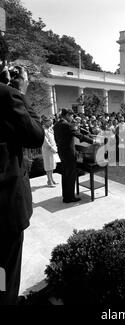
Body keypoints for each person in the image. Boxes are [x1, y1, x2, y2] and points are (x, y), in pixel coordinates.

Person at [0, 60, 44, 304]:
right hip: (4, 208)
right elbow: (35, 135)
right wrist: (19, 91)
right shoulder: (7, 95)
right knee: (6, 269)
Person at [53, 108, 97, 203]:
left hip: (62, 152)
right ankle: (69, 198)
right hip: (69, 154)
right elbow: (79, 136)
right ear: (67, 115)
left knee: (65, 174)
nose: (72, 118)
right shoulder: (67, 125)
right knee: (71, 175)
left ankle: (66, 195)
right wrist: (93, 141)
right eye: (72, 116)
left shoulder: (56, 125)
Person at [41, 115, 58, 187]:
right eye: (49, 123)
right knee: (48, 165)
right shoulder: (43, 130)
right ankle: (49, 180)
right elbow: (45, 141)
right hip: (47, 150)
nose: (51, 124)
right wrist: (51, 148)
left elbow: (53, 138)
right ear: (45, 122)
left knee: (52, 165)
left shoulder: (50, 129)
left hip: (53, 148)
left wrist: (55, 147)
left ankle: (51, 178)